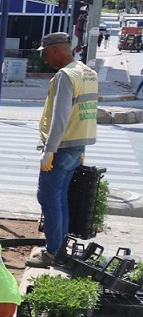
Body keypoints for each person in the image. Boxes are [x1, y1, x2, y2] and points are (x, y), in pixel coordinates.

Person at [28, 31, 98, 268]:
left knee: (47, 197)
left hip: (61, 147)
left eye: (46, 53)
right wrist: (81, 148)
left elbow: (61, 117)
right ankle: (62, 247)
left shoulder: (65, 76)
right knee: (60, 197)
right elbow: (86, 114)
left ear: (57, 50)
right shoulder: (87, 73)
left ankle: (53, 251)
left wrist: (49, 150)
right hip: (76, 145)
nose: (45, 59)